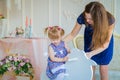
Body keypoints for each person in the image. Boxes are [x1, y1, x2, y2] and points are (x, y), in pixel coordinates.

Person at [64, 1, 115, 80]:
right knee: (90, 69)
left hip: (104, 44)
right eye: (86, 17)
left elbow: (106, 43)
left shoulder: (109, 19)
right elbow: (72, 34)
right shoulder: (82, 17)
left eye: (90, 19)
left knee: (103, 69)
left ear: (98, 18)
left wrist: (91, 54)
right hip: (90, 41)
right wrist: (60, 43)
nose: (87, 20)